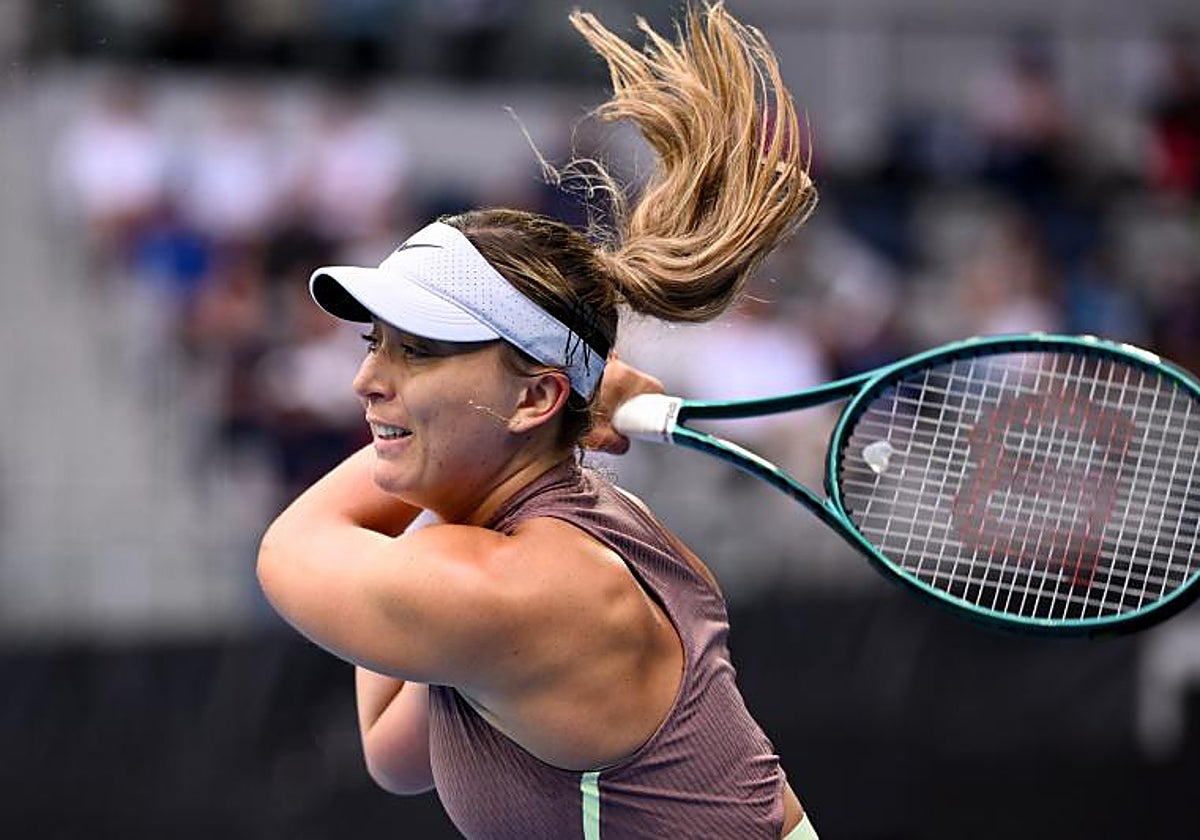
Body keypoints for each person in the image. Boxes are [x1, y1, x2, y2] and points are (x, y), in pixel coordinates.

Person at [256, 4, 819, 837]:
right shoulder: (532, 545)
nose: (366, 379)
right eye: (374, 344)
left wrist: (447, 472)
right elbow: (393, 750)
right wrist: (448, 474)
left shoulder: (525, 589)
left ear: (534, 399)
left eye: (417, 351)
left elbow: (288, 551)